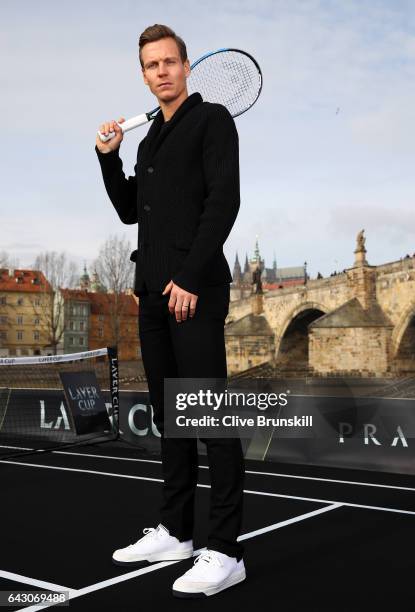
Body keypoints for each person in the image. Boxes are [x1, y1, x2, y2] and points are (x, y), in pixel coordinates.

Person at [95, 24, 246, 598]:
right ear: (143, 73)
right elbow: (131, 211)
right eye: (150, 65)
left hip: (195, 289)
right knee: (170, 415)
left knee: (208, 415)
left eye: (169, 62)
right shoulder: (149, 139)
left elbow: (224, 200)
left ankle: (227, 551)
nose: (160, 71)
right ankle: (177, 533)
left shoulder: (212, 122)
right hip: (152, 294)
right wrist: (108, 158)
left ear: (187, 67)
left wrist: (188, 274)